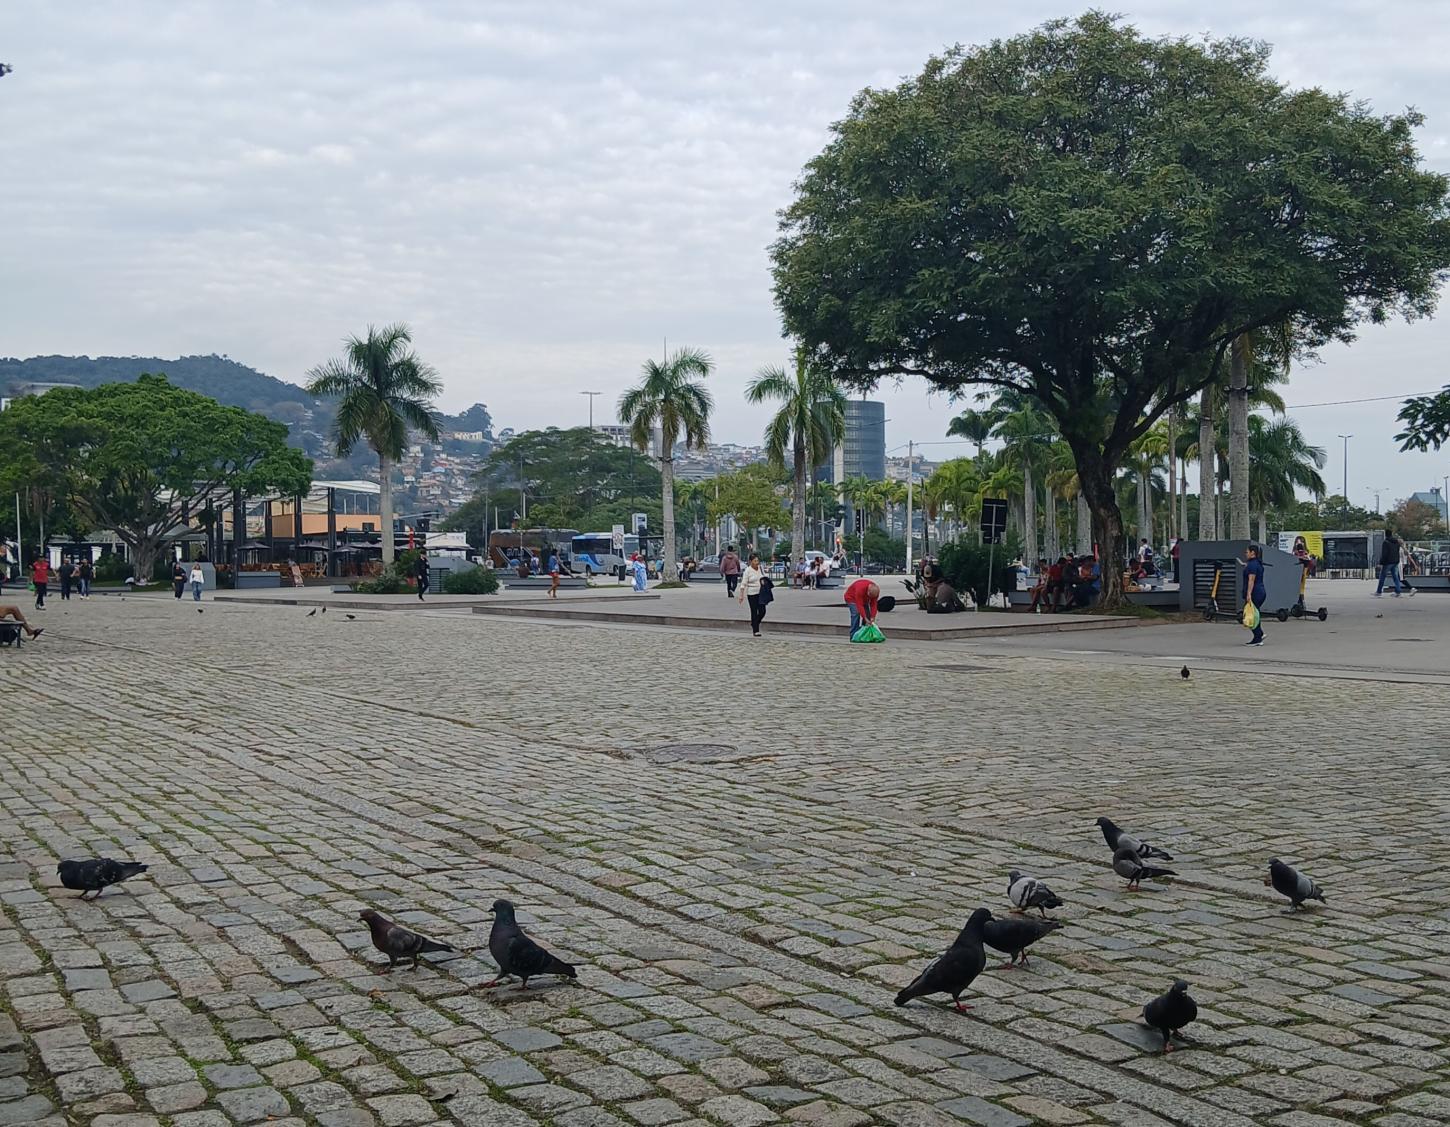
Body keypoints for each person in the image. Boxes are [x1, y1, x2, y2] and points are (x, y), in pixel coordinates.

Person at [1243, 542, 1267, 646]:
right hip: (1260, 591)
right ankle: (1259, 634)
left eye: (1247, 552)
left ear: (1253, 553)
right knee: (1255, 614)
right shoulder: (1256, 563)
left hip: (1255, 593)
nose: (1246, 554)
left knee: (1251, 615)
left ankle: (1258, 637)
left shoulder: (1252, 565)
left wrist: (1249, 594)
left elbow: (1251, 580)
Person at [738, 552, 767, 635]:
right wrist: (741, 595)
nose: (756, 562)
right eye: (755, 561)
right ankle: (756, 630)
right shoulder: (748, 571)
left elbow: (764, 577)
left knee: (762, 611)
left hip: (761, 593)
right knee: (754, 611)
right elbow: (743, 584)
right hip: (752, 593)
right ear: (750, 561)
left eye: (757, 561)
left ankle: (754, 623)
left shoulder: (760, 568)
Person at [1375, 530, 1408, 597]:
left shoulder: (1385, 542)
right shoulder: (1396, 542)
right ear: (1391, 534)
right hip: (1395, 561)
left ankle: (1379, 592)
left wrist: (1381, 562)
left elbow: (1384, 554)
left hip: (1388, 562)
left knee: (1382, 576)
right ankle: (1398, 591)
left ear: (1386, 535)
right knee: (1395, 577)